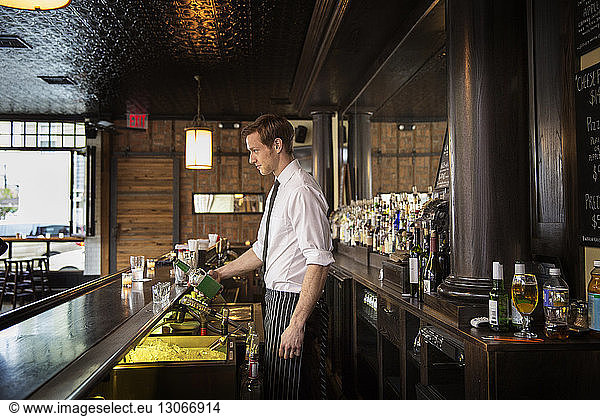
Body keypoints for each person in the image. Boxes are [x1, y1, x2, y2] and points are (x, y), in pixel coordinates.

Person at [209, 114, 334, 399]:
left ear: (277, 145)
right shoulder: (279, 189)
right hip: (276, 299)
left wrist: (296, 323)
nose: (252, 159)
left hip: (294, 303)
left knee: (291, 392)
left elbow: (319, 261)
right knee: (277, 385)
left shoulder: (301, 190)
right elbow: (261, 250)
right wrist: (221, 273)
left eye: (255, 150)